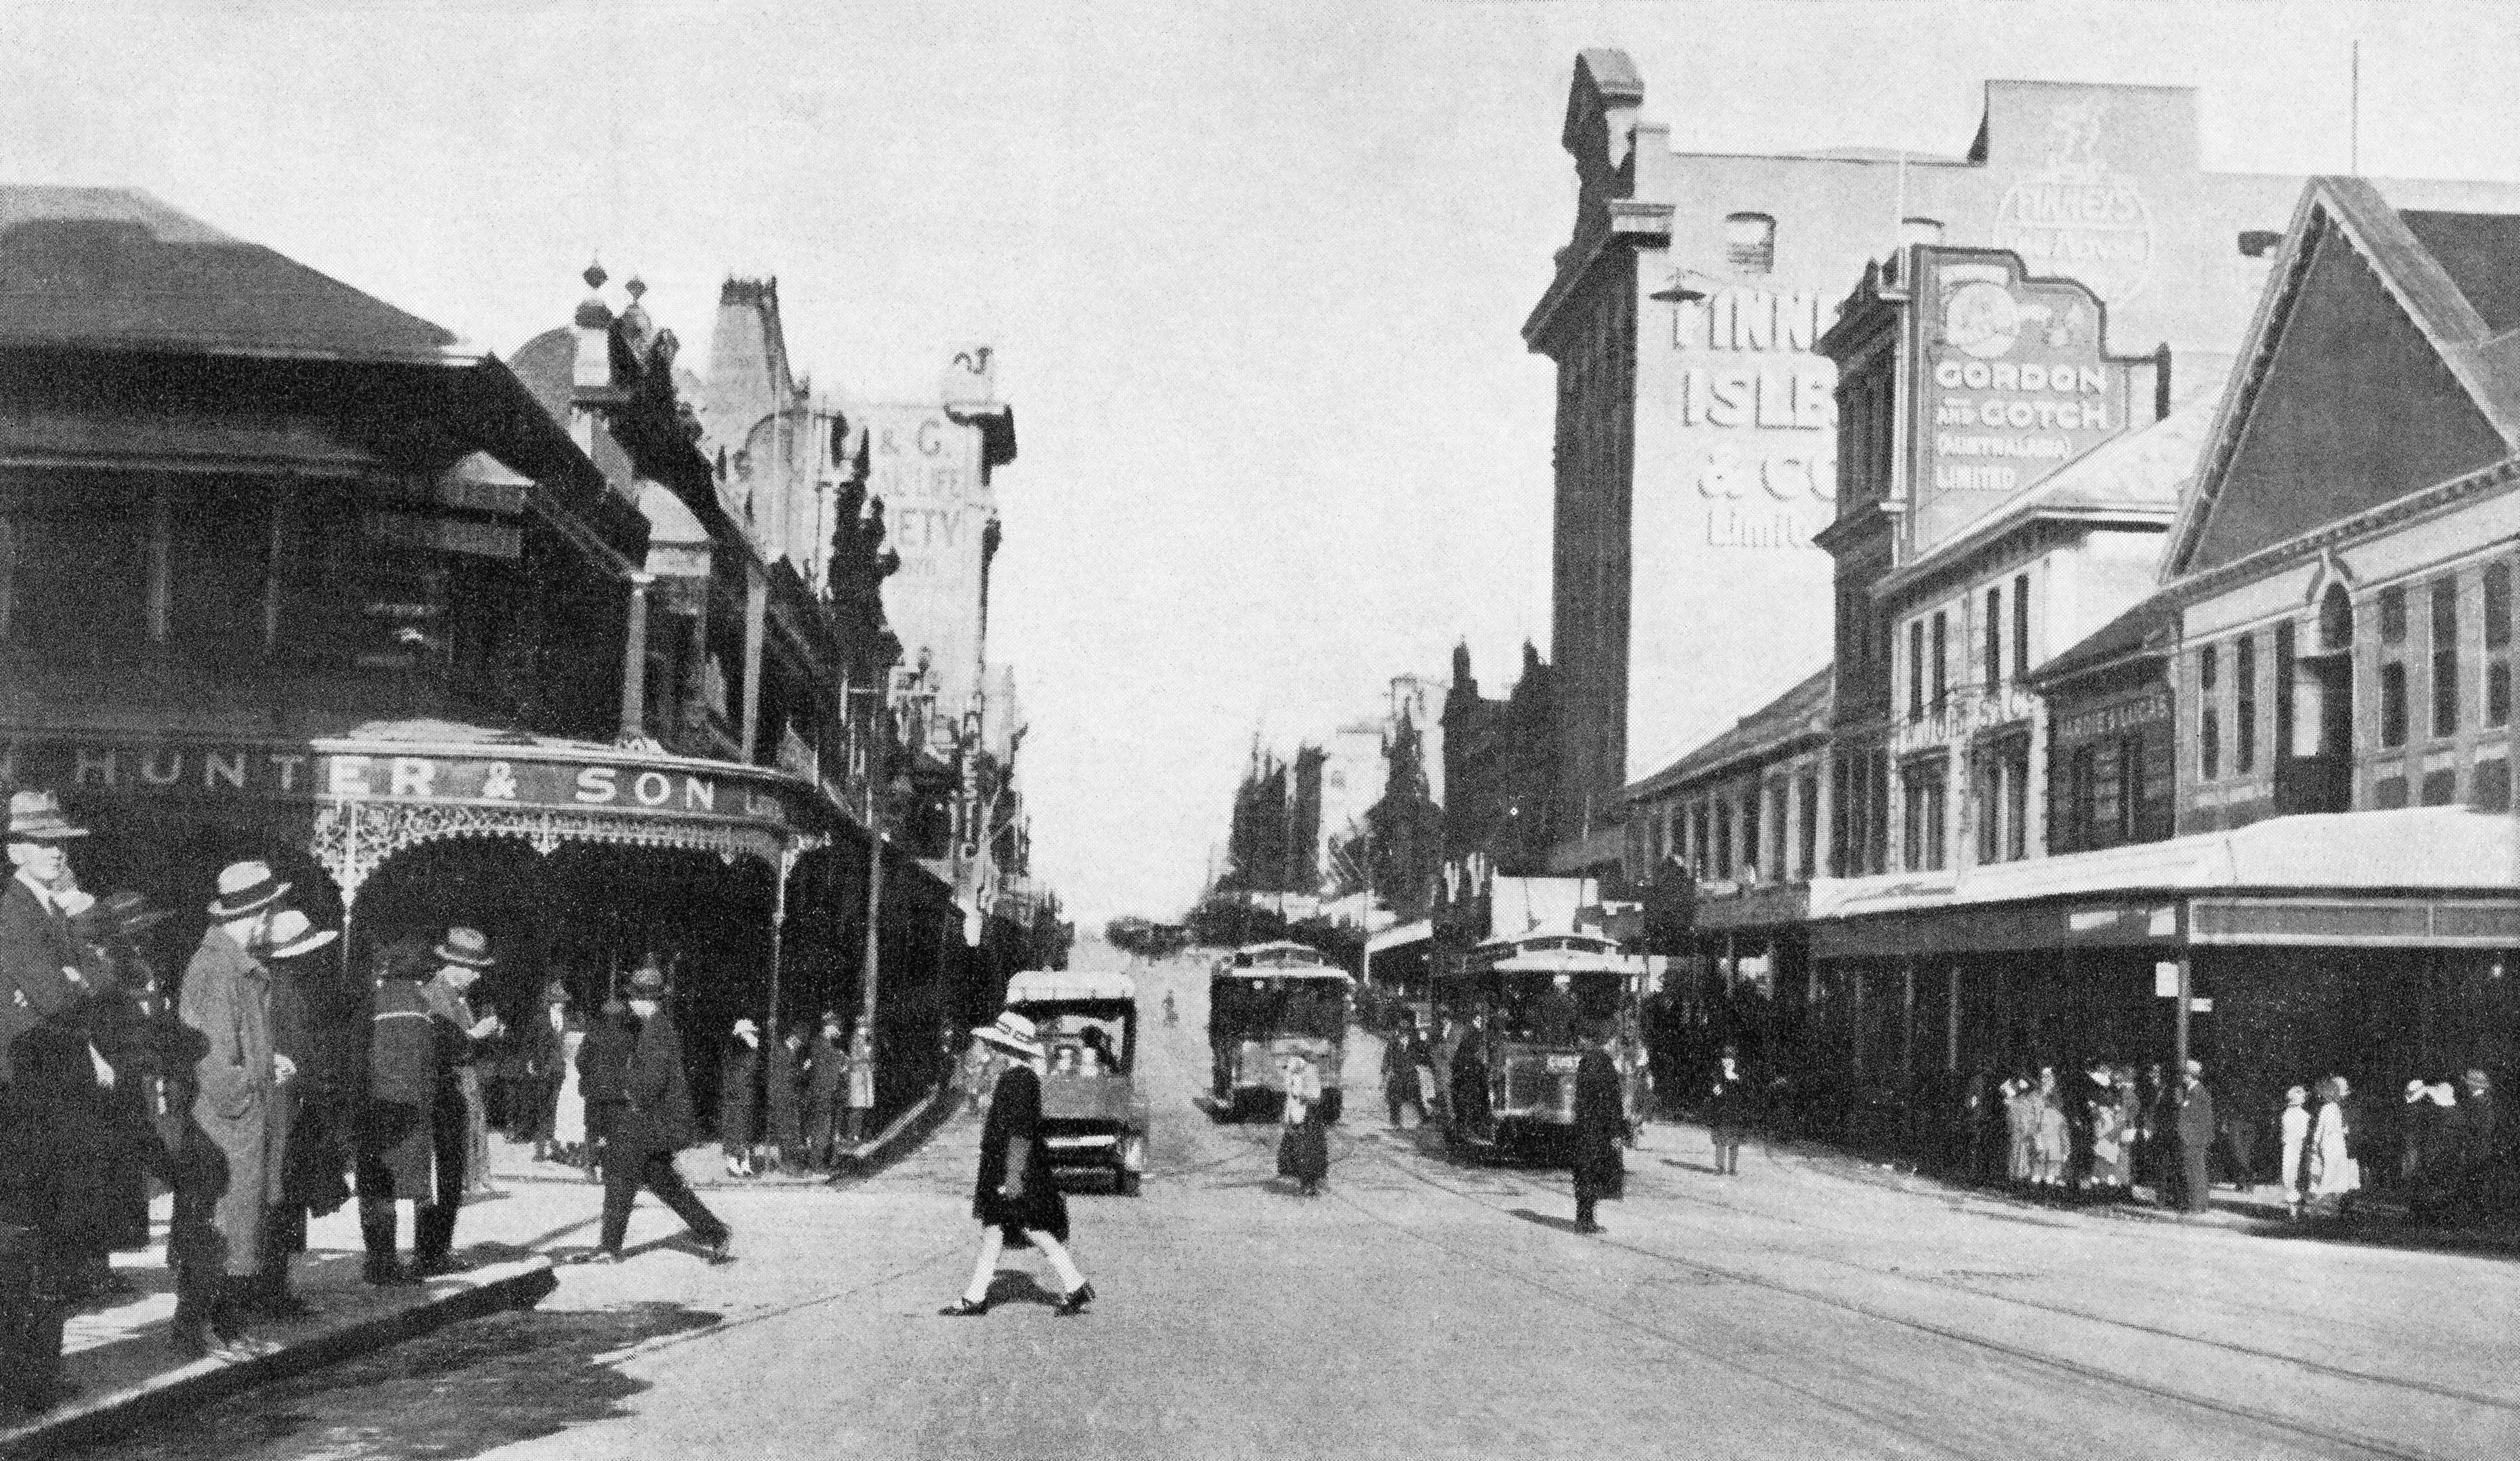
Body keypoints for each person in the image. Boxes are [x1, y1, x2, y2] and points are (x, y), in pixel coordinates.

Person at [175, 860, 295, 1357]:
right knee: (221, 1229)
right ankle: (201, 1331)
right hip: (226, 1128)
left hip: (236, 1125)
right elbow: (216, 1066)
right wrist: (260, 1079)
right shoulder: (218, 969)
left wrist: (271, 1061)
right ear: (262, 914)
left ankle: (226, 1327)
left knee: (237, 1229)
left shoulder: (233, 965)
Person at [576, 959, 732, 1265]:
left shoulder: (659, 1029)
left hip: (649, 1119)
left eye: (636, 998)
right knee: (662, 1180)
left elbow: (649, 1083)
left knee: (620, 1177)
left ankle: (609, 1248)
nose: (632, 1003)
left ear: (650, 1000)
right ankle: (716, 1231)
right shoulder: (649, 1026)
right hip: (649, 1119)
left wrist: (614, 1085)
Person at [940, 1012, 1094, 1316]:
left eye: (996, 1044)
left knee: (1030, 1227)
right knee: (997, 1230)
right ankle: (977, 1296)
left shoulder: (1018, 1081)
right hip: (1013, 1170)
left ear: (1006, 1047)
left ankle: (1074, 1284)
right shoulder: (1018, 1078)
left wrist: (1011, 1180)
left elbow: (1021, 1135)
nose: (992, 1049)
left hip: (1016, 1172)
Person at [255, 909, 346, 1322]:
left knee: (284, 1196)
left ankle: (274, 1287)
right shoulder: (285, 990)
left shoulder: (274, 985)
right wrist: (317, 1083)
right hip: (285, 1104)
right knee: (282, 1196)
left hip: (288, 1101)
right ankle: (272, 1290)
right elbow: (297, 1049)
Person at [416, 928, 502, 1270]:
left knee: (452, 1172)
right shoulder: (436, 995)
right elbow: (439, 1043)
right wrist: (474, 1035)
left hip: (460, 1087)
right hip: (445, 1089)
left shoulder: (457, 996)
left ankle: (439, 1248)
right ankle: (432, 1252)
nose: (478, 975)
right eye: (474, 968)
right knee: (444, 1172)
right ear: (454, 965)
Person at [356, 938, 440, 1288]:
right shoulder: (422, 1006)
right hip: (412, 1109)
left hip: (374, 1103)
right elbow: (429, 1061)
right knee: (415, 1188)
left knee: (376, 1186)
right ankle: (413, 1259)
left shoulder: (371, 1003)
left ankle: (379, 1260)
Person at [1571, 1025, 1625, 1232]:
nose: (1617, 1049)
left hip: (1587, 1127)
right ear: (1607, 1041)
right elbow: (1610, 1102)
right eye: (1615, 1044)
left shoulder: (1589, 1061)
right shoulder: (1602, 1063)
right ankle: (1586, 1220)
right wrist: (1615, 1131)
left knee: (1586, 1172)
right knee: (1593, 1172)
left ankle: (1584, 1218)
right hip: (1600, 1129)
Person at [522, 982, 575, 1163]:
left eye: (563, 1002)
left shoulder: (568, 1021)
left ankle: (554, 1147)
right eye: (557, 1001)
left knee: (555, 1109)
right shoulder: (540, 1020)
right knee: (543, 1109)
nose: (561, 1004)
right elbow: (529, 1042)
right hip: (543, 1068)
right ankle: (540, 1150)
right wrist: (530, 1061)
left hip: (559, 1070)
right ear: (551, 1002)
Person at [2308, 1075, 2361, 1216]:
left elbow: (2349, 1128)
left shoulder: (2345, 1109)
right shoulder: (2328, 1108)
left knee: (2340, 1176)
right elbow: (2320, 1128)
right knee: (2330, 1173)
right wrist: (2315, 1144)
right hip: (2330, 1144)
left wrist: (2346, 1131)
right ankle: (2320, 1206)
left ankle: (2335, 1208)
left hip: (2341, 1146)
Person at [803, 1012, 850, 1169]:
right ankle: (816, 1164)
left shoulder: (826, 1046)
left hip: (827, 1094)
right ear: (829, 1027)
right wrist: (842, 1060)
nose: (838, 1032)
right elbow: (828, 1064)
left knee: (825, 1129)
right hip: (821, 1093)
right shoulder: (820, 1044)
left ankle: (820, 1162)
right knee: (820, 1129)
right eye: (836, 1027)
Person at [719, 1019, 762, 1178]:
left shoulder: (745, 1053)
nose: (754, 1036)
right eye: (750, 1034)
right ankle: (735, 1164)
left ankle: (744, 1164)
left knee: (745, 1131)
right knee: (737, 1131)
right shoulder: (739, 1053)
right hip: (738, 1097)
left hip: (744, 1097)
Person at [2174, 1059, 2216, 1214]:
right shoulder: (2194, 1092)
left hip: (2194, 1139)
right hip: (2194, 1139)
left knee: (2194, 1171)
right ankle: (2200, 1205)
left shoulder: (2197, 1093)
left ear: (2190, 1076)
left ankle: (2196, 1206)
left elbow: (2196, 1117)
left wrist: (2187, 1135)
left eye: (2185, 1074)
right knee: (2197, 1170)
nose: (2183, 1077)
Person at [765, 1026, 807, 1173]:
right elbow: (786, 1075)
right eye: (799, 1041)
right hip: (782, 1097)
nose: (799, 1045)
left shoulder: (788, 1052)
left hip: (787, 1096)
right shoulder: (783, 1052)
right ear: (793, 1038)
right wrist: (803, 1069)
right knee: (785, 1131)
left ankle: (787, 1162)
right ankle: (785, 1163)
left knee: (789, 1131)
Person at [1707, 1044, 1751, 1176]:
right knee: (1720, 1141)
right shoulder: (1717, 1077)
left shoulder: (1740, 1078)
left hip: (1736, 1114)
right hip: (1722, 1113)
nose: (1727, 1063)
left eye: (1731, 1061)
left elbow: (1745, 1096)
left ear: (1735, 1062)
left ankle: (1732, 1168)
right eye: (1725, 1060)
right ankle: (1720, 1167)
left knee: (1734, 1142)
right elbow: (1716, 1094)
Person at [2031, 1066, 2071, 1192]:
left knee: (2048, 1168)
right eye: (2044, 1077)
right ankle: (2039, 1193)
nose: (2045, 1080)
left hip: (2051, 1140)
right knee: (2042, 1167)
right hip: (2046, 1139)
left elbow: (2063, 1132)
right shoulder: (2045, 1110)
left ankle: (2043, 1193)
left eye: (2048, 1077)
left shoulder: (2056, 1115)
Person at [1382, 1017, 1427, 1128]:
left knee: (1416, 1097)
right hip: (1397, 1072)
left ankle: (1424, 1118)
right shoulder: (1393, 1040)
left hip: (1410, 1072)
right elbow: (1388, 1055)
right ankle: (1395, 1122)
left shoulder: (1415, 1040)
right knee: (1394, 1098)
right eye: (1401, 1024)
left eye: (1406, 1024)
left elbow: (1422, 1053)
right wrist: (1385, 1069)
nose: (1403, 1025)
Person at [2278, 1085, 2311, 1219]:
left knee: (2296, 1177)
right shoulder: (2294, 1114)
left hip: (2298, 1148)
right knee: (2293, 1177)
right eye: (2300, 1095)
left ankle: (2297, 1209)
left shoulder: (2301, 1114)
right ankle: (2294, 1210)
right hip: (2293, 1148)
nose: (2303, 1098)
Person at [845, 1020, 876, 1143]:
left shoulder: (866, 1041)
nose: (865, 1029)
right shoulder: (857, 1040)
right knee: (857, 1106)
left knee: (863, 1107)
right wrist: (866, 1060)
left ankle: (858, 1134)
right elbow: (855, 1058)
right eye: (863, 1027)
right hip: (858, 1075)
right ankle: (852, 1135)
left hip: (865, 1074)